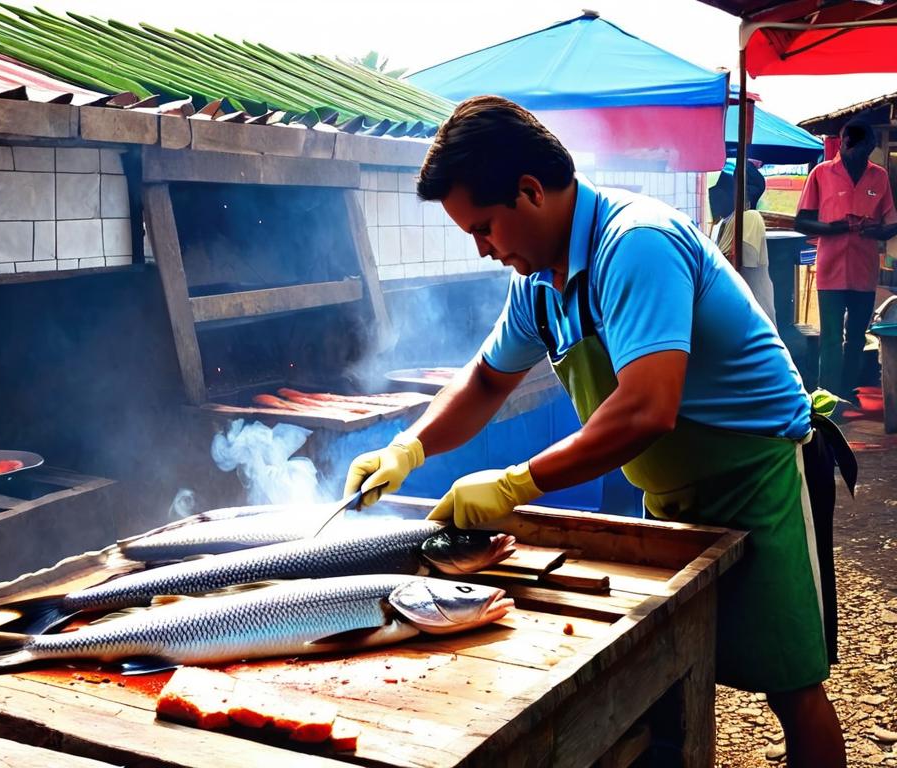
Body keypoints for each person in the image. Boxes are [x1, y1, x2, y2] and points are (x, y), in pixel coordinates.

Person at [345, 96, 853, 768]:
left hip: (756, 474)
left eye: (485, 227)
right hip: (669, 489)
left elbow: (647, 409)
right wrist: (408, 448)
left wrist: (515, 483)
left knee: (795, 688)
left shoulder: (636, 244)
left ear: (530, 191)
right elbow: (486, 381)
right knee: (667, 678)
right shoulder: (539, 283)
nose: (484, 249)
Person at [795, 116, 897, 399]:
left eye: (867, 151)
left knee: (856, 338)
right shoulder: (821, 173)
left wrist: (876, 230)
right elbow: (801, 222)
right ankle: (827, 394)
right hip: (830, 270)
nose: (861, 156)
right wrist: (832, 227)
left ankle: (848, 391)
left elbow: (890, 224)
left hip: (864, 271)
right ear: (844, 145)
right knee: (830, 338)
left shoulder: (879, 176)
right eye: (856, 150)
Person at [709, 163, 776, 325]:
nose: (712, 200)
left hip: (753, 314)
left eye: (716, 195)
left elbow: (740, 263)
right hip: (735, 314)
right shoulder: (722, 225)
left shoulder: (750, 218)